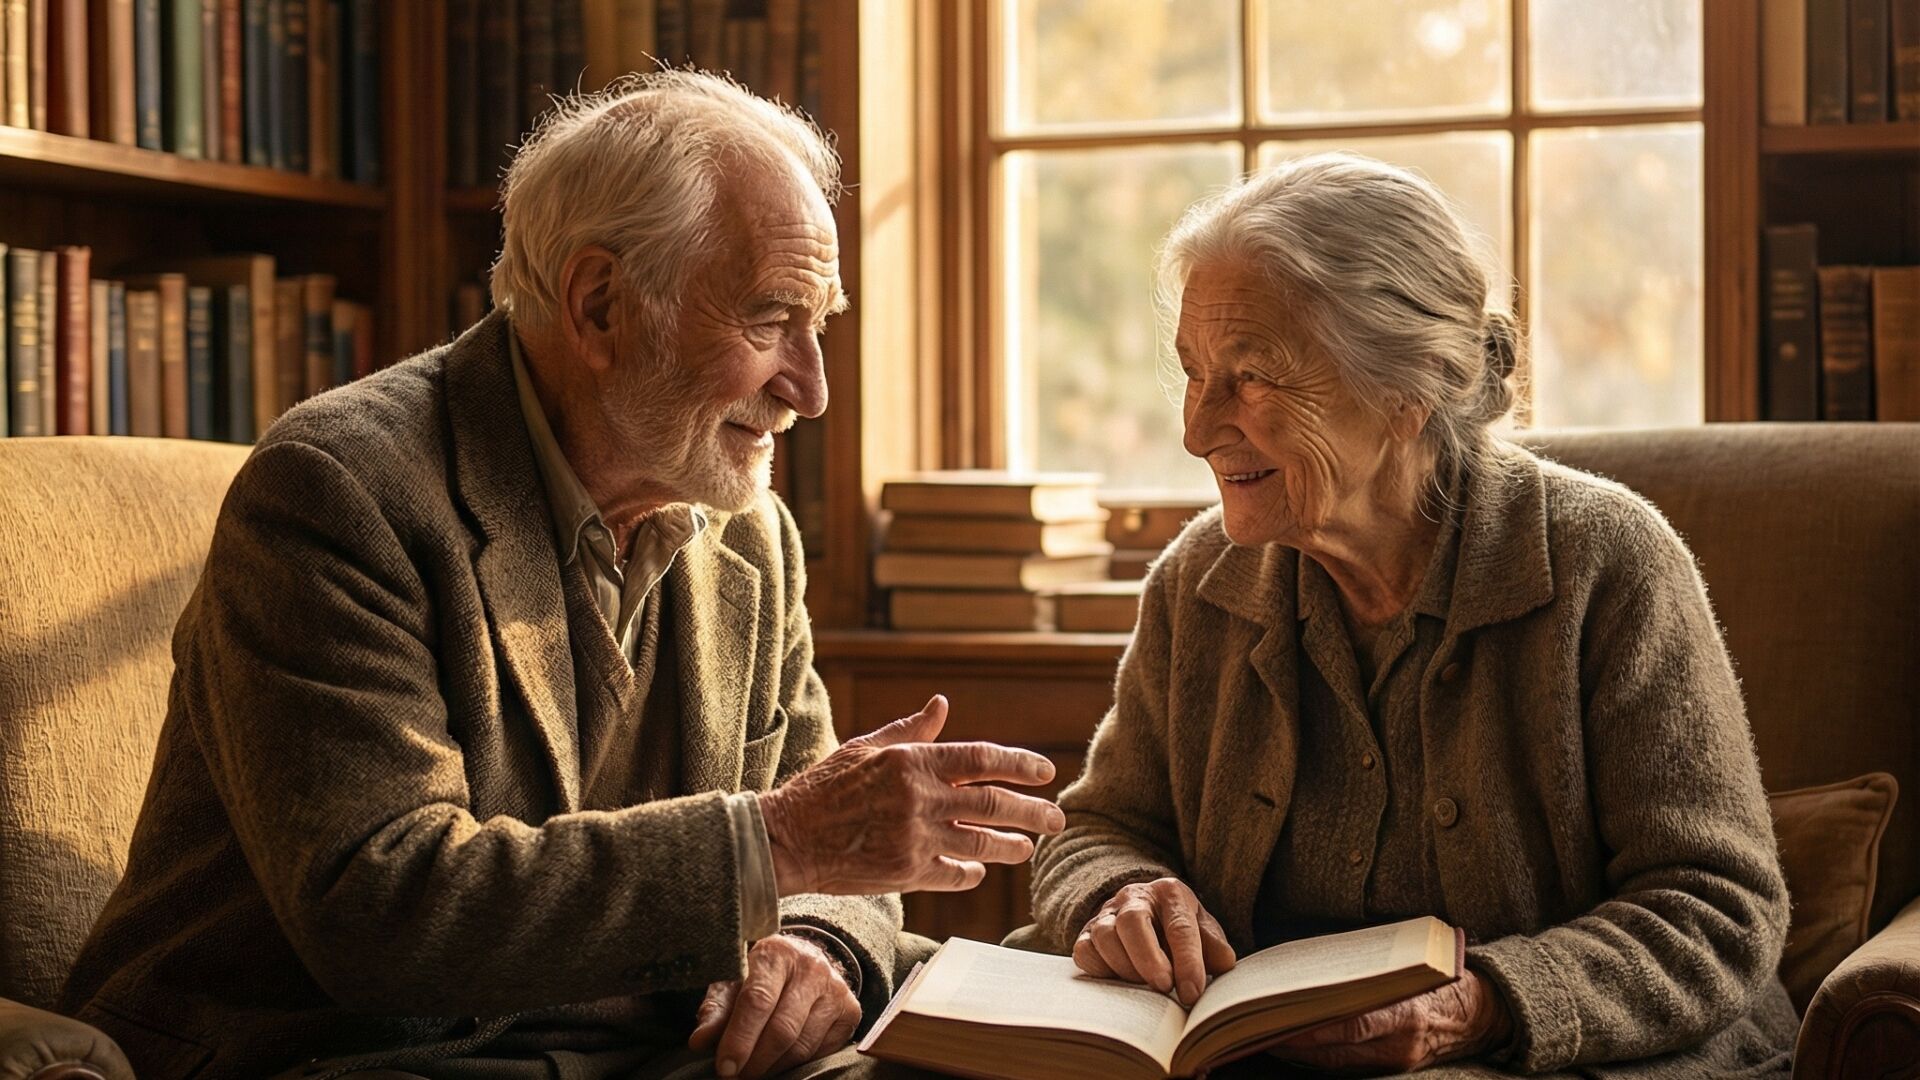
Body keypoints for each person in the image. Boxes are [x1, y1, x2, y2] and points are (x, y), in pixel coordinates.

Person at [60, 72, 1064, 1080]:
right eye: (769, 323)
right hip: (344, 1052)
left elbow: (826, 839)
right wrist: (775, 847)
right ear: (598, 306)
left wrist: (817, 943)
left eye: (821, 325)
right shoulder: (336, 491)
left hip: (640, 1044)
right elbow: (384, 909)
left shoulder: (749, 531)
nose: (812, 389)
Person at [1025, 153, 1796, 1078]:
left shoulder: (1607, 563)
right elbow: (1100, 828)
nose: (1198, 429)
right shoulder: (1201, 580)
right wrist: (1127, 894)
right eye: (1194, 373)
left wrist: (1482, 1006)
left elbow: (1717, 908)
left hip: (1543, 1059)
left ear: (1409, 389)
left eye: (1253, 377)